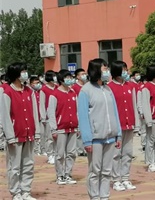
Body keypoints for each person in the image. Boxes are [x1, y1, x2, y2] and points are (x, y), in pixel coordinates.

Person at [78, 58, 122, 200]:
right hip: (95, 138)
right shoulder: (86, 91)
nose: (107, 72)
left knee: (107, 170)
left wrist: (118, 134)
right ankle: (95, 197)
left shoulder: (107, 89)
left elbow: (114, 112)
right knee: (95, 171)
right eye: (104, 69)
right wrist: (86, 140)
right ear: (96, 70)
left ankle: (104, 196)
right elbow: (83, 117)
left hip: (110, 136)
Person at [0, 62, 40, 200]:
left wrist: (37, 131)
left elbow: (35, 112)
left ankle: (26, 191)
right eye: (23, 71)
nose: (25, 74)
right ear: (16, 74)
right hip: (15, 135)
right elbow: (5, 115)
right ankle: (16, 192)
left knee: (28, 164)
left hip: (29, 133)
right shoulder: (7, 92)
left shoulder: (29, 91)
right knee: (14, 166)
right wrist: (10, 136)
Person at [107, 61, 140, 191]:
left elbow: (134, 105)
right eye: (123, 69)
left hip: (129, 124)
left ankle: (125, 178)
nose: (126, 72)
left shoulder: (130, 86)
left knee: (127, 153)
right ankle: (115, 179)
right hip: (117, 126)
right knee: (116, 154)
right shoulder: (109, 87)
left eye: (126, 69)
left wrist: (136, 124)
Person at [47, 69, 79, 185]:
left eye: (70, 77)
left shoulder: (73, 93)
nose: (70, 80)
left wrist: (78, 125)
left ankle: (68, 174)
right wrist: (53, 128)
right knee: (60, 154)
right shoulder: (54, 95)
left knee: (71, 153)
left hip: (73, 127)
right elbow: (51, 112)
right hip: (60, 128)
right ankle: (60, 175)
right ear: (61, 80)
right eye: (67, 77)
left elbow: (77, 111)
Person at [39, 70, 58, 165]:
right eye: (53, 76)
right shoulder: (44, 90)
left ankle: (56, 153)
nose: (55, 78)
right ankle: (50, 154)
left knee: (57, 137)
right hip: (48, 117)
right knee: (49, 137)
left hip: (57, 116)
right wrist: (43, 117)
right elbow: (42, 104)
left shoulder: (57, 88)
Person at [29, 76, 43, 156]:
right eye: (36, 83)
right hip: (33, 117)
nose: (38, 84)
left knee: (41, 134)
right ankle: (35, 149)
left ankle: (40, 149)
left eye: (39, 82)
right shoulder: (30, 92)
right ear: (31, 84)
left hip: (40, 116)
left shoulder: (40, 92)